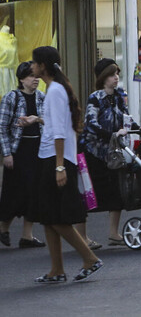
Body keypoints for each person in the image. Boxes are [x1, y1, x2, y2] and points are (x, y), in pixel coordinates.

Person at [28, 46, 102, 283]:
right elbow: (55, 124)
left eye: (34, 63)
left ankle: (89, 258)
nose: (31, 67)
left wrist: (59, 166)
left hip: (55, 159)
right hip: (50, 157)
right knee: (48, 217)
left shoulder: (55, 90)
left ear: (43, 66)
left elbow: (60, 131)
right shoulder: (54, 89)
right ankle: (57, 269)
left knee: (58, 218)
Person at [82, 59, 141, 246]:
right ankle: (83, 237)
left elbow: (126, 118)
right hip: (94, 152)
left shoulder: (118, 96)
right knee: (89, 195)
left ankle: (113, 233)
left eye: (117, 73)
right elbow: (91, 124)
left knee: (116, 192)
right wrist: (111, 134)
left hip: (112, 153)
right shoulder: (95, 98)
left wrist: (139, 128)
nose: (116, 77)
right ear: (103, 78)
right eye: (111, 74)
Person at [0, 62, 46, 248]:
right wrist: (7, 153)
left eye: (36, 76)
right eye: (30, 76)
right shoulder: (12, 97)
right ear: (21, 79)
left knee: (34, 192)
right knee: (14, 192)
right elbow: (2, 127)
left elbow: (48, 121)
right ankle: (4, 227)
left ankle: (27, 235)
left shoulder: (41, 97)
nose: (35, 80)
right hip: (19, 149)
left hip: (37, 148)